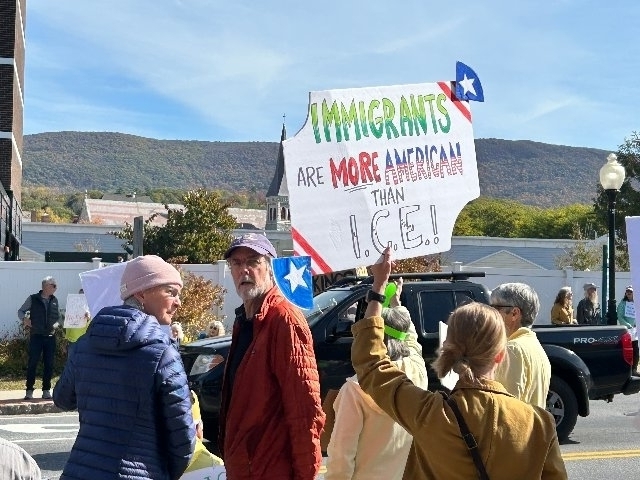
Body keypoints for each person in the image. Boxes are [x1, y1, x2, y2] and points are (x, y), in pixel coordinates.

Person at [350, 246, 567, 479]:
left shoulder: (428, 412)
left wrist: (378, 288)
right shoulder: (539, 425)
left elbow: (371, 363)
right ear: (500, 355)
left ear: (448, 348)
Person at [53, 255, 196, 480]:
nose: (178, 302)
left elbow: (62, 399)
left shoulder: (84, 345)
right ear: (141, 293)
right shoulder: (163, 353)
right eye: (171, 292)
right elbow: (183, 439)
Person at [219, 233, 325, 479]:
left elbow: (305, 410)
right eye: (236, 263)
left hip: (272, 469)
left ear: (269, 268)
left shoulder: (284, 319)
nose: (244, 270)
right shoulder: (246, 320)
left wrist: (305, 475)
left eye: (253, 261)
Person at [325, 302, 428, 480]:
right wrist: (397, 305)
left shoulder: (354, 390)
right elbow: (412, 341)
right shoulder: (416, 371)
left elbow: (341, 457)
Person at [490, 283, 551, 408]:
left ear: (514, 313)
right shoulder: (535, 346)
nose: (491, 313)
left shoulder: (512, 349)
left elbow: (506, 408)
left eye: (495, 308)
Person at [17, 276, 60, 400]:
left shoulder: (55, 300)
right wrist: (25, 319)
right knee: (32, 363)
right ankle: (29, 390)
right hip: (36, 336)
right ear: (46, 286)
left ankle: (46, 390)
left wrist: (56, 325)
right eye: (54, 285)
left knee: (49, 364)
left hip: (50, 337)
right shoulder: (33, 298)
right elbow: (20, 311)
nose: (56, 288)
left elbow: (58, 317)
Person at [64, 289, 91, 357]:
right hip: (72, 340)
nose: (81, 297)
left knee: (82, 360)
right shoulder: (72, 307)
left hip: (84, 340)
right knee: (71, 360)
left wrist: (88, 317)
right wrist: (66, 340)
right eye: (80, 295)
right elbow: (68, 326)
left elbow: (90, 322)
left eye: (83, 296)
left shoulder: (90, 308)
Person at [617, 285, 638, 373]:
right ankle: (627, 370)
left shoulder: (637, 302)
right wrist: (629, 325)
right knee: (627, 350)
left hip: (636, 331)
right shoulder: (622, 303)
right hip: (627, 330)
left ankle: (634, 369)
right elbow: (620, 316)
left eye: (630, 291)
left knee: (636, 350)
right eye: (627, 291)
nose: (629, 293)